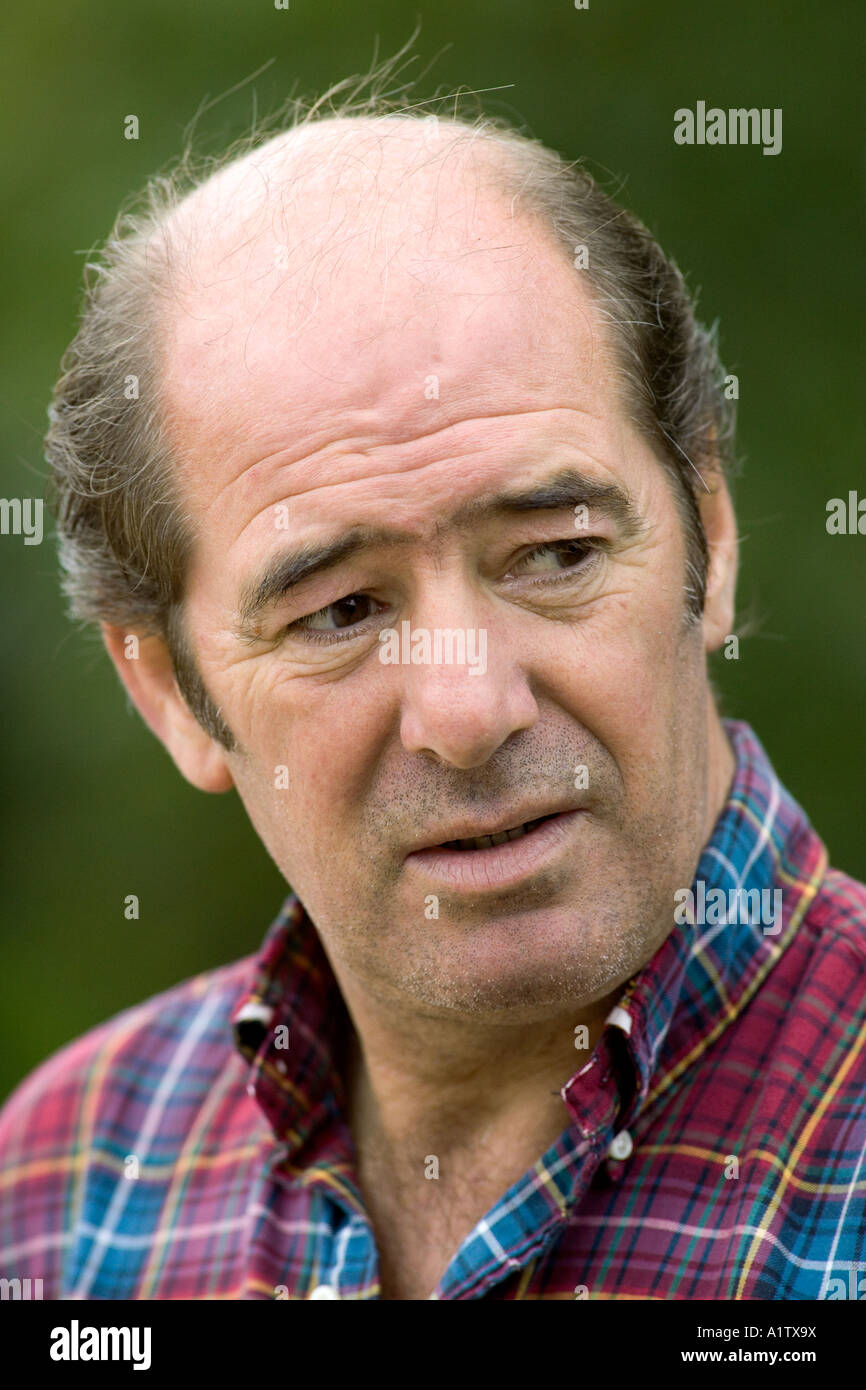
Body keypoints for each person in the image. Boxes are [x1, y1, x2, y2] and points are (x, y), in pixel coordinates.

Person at [1, 74, 863, 1302]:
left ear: (707, 532)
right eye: (340, 611)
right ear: (170, 692)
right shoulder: (67, 1191)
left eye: (555, 554)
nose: (469, 712)